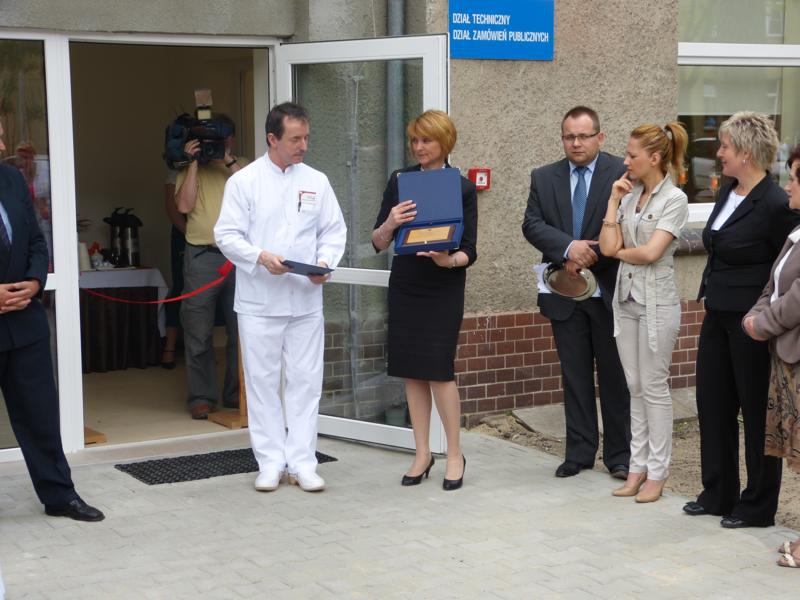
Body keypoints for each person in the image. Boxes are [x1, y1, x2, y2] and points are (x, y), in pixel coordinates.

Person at [215, 102, 346, 492]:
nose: (303, 145)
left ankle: (303, 463)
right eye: (295, 139)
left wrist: (324, 262)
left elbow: (333, 230)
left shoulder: (317, 181)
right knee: (263, 384)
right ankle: (270, 462)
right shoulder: (244, 182)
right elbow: (226, 235)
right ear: (272, 139)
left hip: (305, 300)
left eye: (306, 138)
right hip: (260, 302)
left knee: (306, 382)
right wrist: (259, 256)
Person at [684, 111, 800, 528]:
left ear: (746, 153)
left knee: (754, 412)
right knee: (712, 403)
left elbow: (785, 266)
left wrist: (766, 317)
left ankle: (757, 506)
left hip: (751, 322)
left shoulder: (775, 203)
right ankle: (717, 493)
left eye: (725, 147)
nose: (719, 154)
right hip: (716, 313)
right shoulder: (728, 192)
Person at [0, 122, 103, 522]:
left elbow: (37, 241)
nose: (4, 145)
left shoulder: (12, 179)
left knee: (40, 417)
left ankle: (60, 495)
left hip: (25, 324)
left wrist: (33, 280)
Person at [522, 106, 631, 479]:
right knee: (575, 376)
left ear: (600, 137)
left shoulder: (620, 173)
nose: (576, 143)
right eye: (569, 136)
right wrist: (569, 249)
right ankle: (580, 452)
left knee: (614, 378)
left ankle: (619, 456)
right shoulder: (544, 177)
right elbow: (532, 224)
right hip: (564, 293)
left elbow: (628, 226)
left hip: (608, 293)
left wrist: (590, 253)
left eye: (583, 136)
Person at [371, 110, 477, 490]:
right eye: (414, 140)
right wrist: (391, 222)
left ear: (444, 143)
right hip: (407, 283)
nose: (418, 147)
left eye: (426, 140)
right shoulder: (399, 181)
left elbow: (470, 250)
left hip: (443, 285)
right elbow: (377, 240)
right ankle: (421, 453)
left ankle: (454, 454)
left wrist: (448, 260)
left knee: (439, 370)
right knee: (411, 370)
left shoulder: (462, 187)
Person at [599, 123, 689, 503]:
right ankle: (636, 469)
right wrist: (612, 202)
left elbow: (651, 253)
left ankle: (658, 472)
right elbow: (606, 246)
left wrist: (620, 252)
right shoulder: (629, 195)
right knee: (633, 386)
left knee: (654, 387)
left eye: (632, 155)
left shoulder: (675, 199)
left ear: (654, 158)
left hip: (657, 304)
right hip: (626, 301)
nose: (625, 161)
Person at [743, 145, 800, 567]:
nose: (789, 185)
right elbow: (773, 285)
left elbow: (797, 300)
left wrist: (761, 325)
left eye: (796, 177)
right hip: (787, 359)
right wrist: (755, 314)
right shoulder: (796, 234)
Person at [175, 114, 245, 419]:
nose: (216, 145)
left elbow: (257, 197)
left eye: (222, 138)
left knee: (241, 329)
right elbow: (183, 206)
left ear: (231, 139)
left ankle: (236, 394)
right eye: (210, 140)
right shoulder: (189, 168)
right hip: (202, 256)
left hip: (239, 257)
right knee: (198, 329)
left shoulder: (243, 167)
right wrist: (193, 163)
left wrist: (227, 161)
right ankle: (202, 396)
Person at [161, 169, 186, 370]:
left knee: (209, 292)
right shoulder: (176, 171)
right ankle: (169, 347)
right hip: (184, 233)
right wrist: (189, 233)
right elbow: (172, 207)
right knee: (180, 287)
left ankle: (203, 351)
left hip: (213, 235)